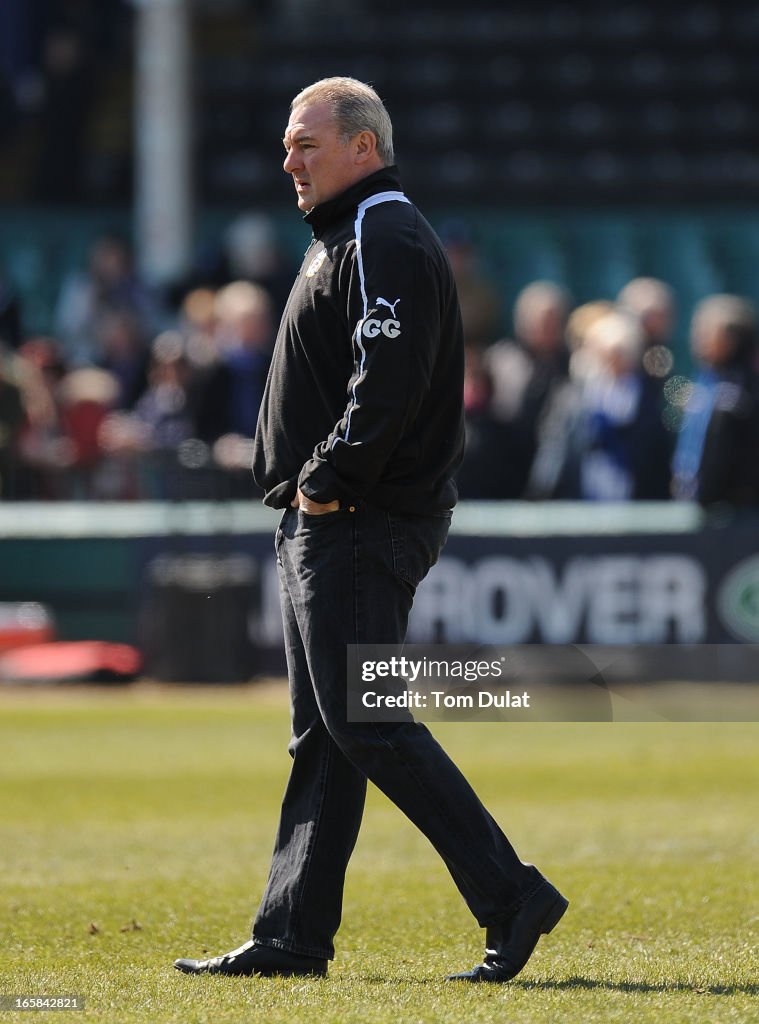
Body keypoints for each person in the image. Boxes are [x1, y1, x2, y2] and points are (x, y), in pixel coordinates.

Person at [173, 76, 567, 984]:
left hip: (357, 518)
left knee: (366, 720)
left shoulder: (381, 231)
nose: (289, 161)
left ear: (364, 145)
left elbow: (382, 381)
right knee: (331, 732)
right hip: (336, 519)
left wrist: (325, 485)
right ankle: (292, 934)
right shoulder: (351, 236)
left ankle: (511, 896)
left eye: (305, 143)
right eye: (285, 144)